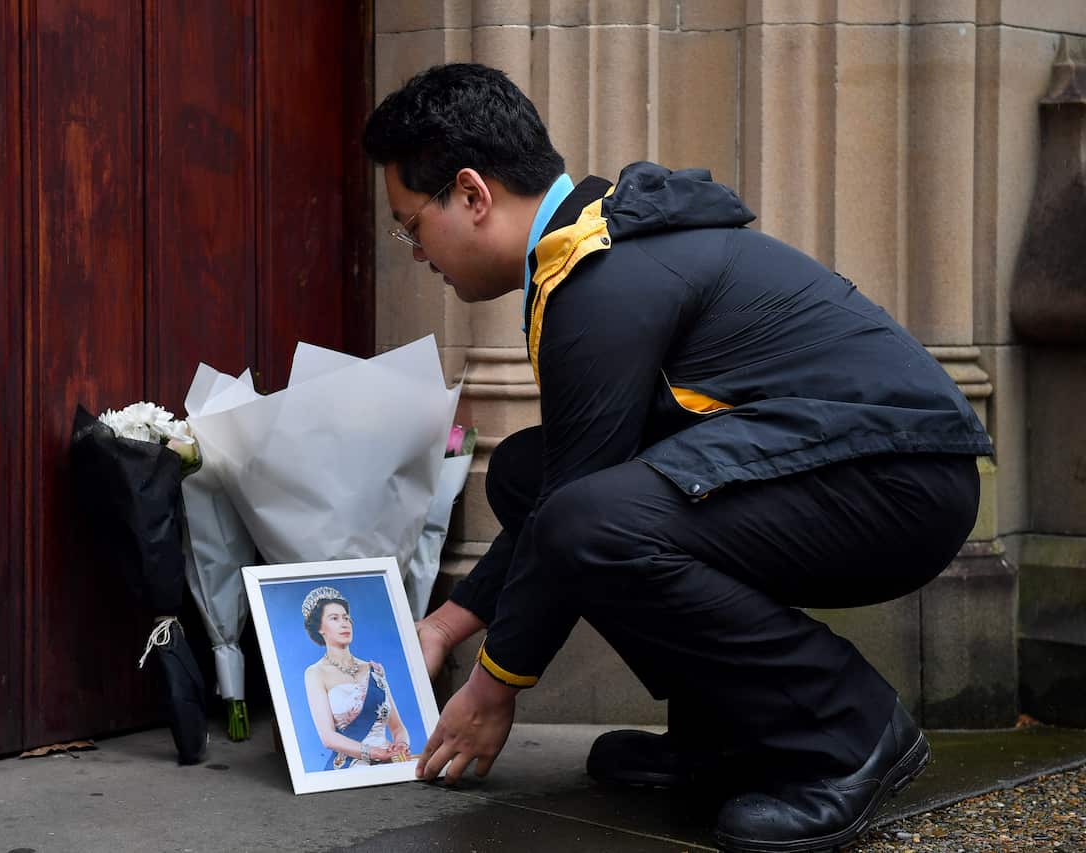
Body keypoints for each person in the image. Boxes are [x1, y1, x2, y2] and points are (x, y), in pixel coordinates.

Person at [363, 63, 992, 852]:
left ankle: (851, 731)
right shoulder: (595, 251)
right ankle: (729, 734)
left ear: (472, 193)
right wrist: (447, 626)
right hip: (863, 468)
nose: (415, 252)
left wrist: (492, 687)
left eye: (411, 224)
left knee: (588, 518)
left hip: (901, 482)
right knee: (535, 474)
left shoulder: (601, 276)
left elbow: (578, 512)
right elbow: (564, 479)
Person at [300, 586, 412, 770]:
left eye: (346, 617)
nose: (344, 623)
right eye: (334, 618)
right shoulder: (315, 673)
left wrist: (401, 745)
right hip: (350, 766)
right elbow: (328, 738)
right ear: (320, 628)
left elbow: (398, 727)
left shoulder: (374, 670)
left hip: (389, 762)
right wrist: (374, 753)